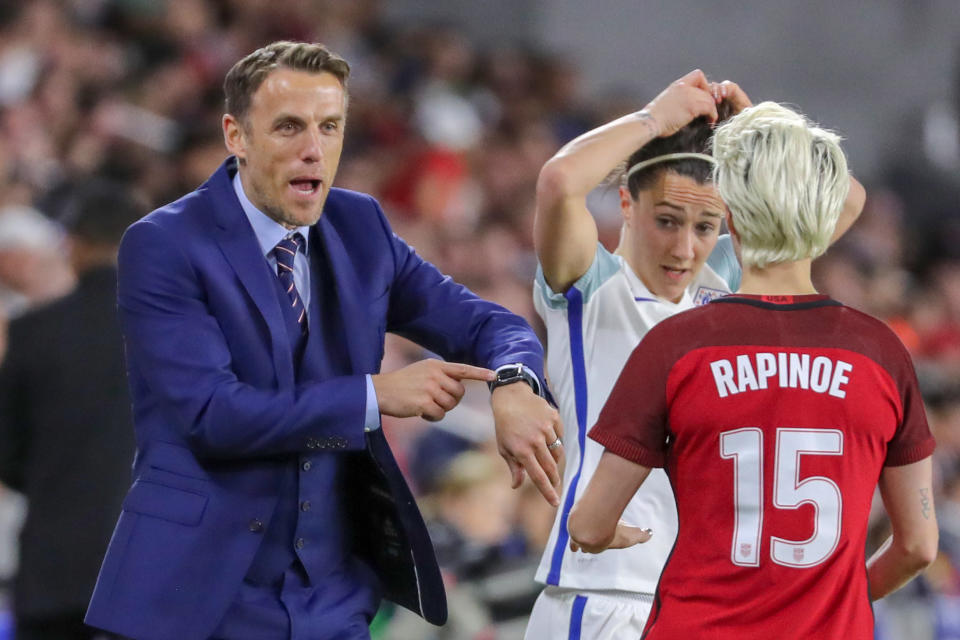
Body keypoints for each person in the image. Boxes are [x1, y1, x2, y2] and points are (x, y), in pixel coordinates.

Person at [84, 41, 561, 640]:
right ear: (236, 135)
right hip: (199, 596)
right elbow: (210, 415)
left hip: (331, 601)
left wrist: (515, 384)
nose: (314, 149)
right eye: (288, 127)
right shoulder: (163, 245)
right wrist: (372, 396)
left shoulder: (361, 226)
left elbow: (488, 324)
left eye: (330, 127)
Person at [568, 101, 939, 639]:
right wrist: (840, 601)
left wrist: (605, 536)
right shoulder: (881, 352)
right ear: (824, 220)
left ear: (732, 218)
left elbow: (588, 522)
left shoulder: (678, 344)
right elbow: (918, 546)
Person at [525, 69, 865, 638]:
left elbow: (847, 199)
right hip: (603, 586)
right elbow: (559, 182)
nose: (684, 247)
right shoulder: (591, 284)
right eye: (667, 221)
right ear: (627, 203)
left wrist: (757, 132)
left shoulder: (728, 279)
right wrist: (654, 119)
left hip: (700, 599)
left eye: (706, 226)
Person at [0, 179, 140, 640]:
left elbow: (7, 455)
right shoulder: (183, 337)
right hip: (146, 574)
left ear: (74, 246)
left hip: (51, 574)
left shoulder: (31, 332)